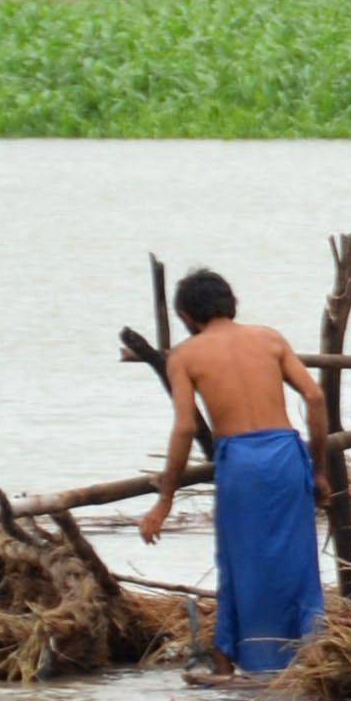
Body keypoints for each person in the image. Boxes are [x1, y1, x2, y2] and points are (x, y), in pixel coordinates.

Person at [133, 267, 329, 674]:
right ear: (230, 304)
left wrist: (165, 500)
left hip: (241, 462)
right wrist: (319, 470)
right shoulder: (269, 338)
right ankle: (310, 655)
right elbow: (314, 396)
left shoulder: (185, 355)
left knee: (240, 563)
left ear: (186, 316)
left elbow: (186, 426)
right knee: (298, 561)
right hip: (285, 453)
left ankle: (233, 662)